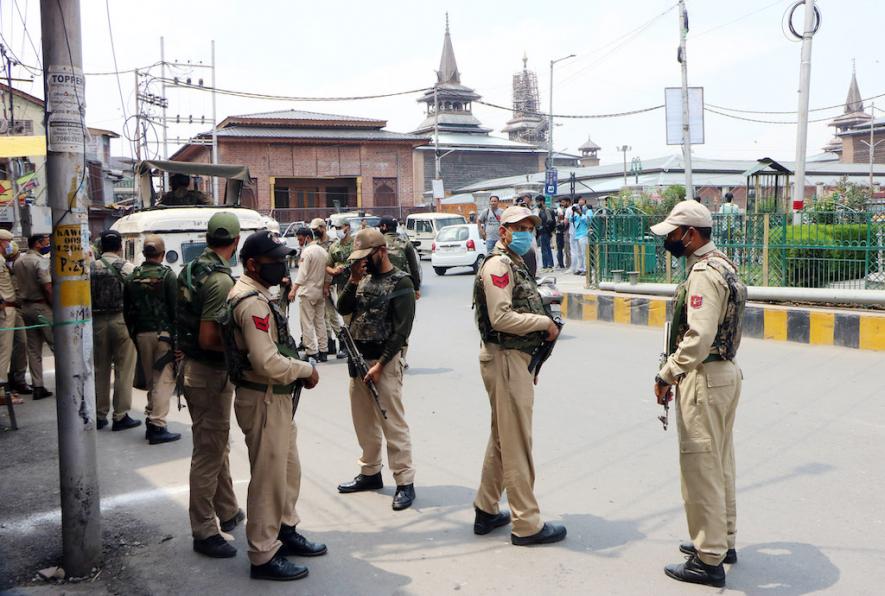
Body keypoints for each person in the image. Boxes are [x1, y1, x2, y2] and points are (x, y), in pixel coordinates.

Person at [650, 200, 746, 588]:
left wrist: (668, 373)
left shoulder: (705, 274)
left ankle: (708, 560)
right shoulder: (724, 264)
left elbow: (699, 337)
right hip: (724, 375)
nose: (669, 240)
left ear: (690, 235)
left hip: (704, 377)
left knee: (701, 467)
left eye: (673, 234)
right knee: (720, 461)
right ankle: (723, 540)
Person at [224, 230, 326, 581]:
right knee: (268, 479)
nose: (282, 266)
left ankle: (284, 529)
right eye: (274, 260)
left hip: (276, 399)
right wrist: (305, 369)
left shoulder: (260, 294)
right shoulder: (251, 302)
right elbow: (267, 361)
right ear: (253, 264)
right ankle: (262, 554)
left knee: (287, 470)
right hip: (264, 396)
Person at [471, 205, 566, 546]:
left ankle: (485, 509)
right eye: (520, 226)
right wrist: (544, 324)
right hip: (505, 359)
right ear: (505, 230)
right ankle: (526, 523)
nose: (526, 231)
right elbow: (501, 318)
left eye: (530, 225)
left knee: (502, 437)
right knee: (517, 442)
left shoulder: (514, 264)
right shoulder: (498, 265)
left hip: (514, 360)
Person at [177, 212, 244, 558]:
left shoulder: (191, 268)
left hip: (193, 369)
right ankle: (203, 529)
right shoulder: (220, 281)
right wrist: (241, 348)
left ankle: (228, 510)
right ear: (235, 242)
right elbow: (207, 337)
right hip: (208, 372)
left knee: (217, 443)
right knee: (209, 450)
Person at [336, 228, 417, 511]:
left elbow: (401, 332)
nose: (362, 261)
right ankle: (370, 473)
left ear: (381, 251)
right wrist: (353, 279)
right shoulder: (361, 278)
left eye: (366, 256)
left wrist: (381, 365)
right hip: (358, 360)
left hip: (385, 361)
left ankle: (405, 482)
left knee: (391, 422)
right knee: (363, 423)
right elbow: (342, 306)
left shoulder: (401, 282)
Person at [123, 234, 181, 444]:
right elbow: (176, 310)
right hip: (163, 336)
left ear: (144, 254)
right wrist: (179, 341)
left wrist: (134, 335)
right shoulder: (168, 276)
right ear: (162, 254)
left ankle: (151, 416)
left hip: (140, 335)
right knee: (164, 381)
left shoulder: (132, 277)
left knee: (151, 380)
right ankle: (157, 425)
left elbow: (127, 311)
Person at [91, 230, 140, 431]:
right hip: (122, 321)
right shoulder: (127, 267)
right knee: (124, 370)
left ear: (101, 247)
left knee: (99, 369)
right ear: (120, 247)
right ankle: (120, 416)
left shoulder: (89, 268)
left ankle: (99, 414)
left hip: (97, 322)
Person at [14, 234, 53, 400]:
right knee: (57, 344)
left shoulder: (18, 261)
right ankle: (69, 382)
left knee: (33, 349)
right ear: (37, 244)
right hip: (41, 306)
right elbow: (47, 286)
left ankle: (38, 386)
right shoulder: (41, 261)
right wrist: (54, 306)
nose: (47, 243)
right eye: (45, 240)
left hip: (25, 307)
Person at [288, 227, 328, 361]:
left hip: (308, 293)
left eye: (300, 239)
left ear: (307, 237)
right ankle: (323, 351)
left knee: (307, 323)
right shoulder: (323, 251)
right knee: (320, 322)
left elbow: (302, 274)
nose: (299, 242)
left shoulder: (307, 252)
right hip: (320, 291)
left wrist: (293, 290)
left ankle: (311, 352)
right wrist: (326, 287)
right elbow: (328, 272)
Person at [310, 218, 340, 357]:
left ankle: (344, 343)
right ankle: (329, 344)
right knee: (322, 317)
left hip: (330, 284)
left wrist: (328, 284)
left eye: (317, 229)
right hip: (317, 284)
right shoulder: (314, 244)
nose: (315, 232)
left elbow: (336, 264)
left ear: (323, 228)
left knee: (332, 315)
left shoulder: (333, 244)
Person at [6, 242, 32, 395]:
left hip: (19, 308)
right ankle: (15, 379)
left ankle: (17, 378)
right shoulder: (5, 266)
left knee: (21, 343)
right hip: (10, 307)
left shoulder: (18, 264)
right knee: (16, 344)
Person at [326, 221, 354, 359]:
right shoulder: (334, 247)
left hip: (358, 286)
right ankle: (348, 347)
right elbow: (327, 266)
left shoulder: (357, 244)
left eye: (339, 228)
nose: (337, 230)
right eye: (335, 228)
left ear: (347, 228)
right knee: (346, 318)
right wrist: (334, 271)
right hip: (342, 287)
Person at [379, 216, 421, 297]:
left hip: (382, 288)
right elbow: (414, 268)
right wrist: (416, 288)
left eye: (380, 227)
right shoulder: (406, 243)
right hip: (403, 286)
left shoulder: (378, 243)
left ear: (384, 227)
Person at [0, 229, 18, 402]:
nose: (10, 246)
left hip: (9, 308)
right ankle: (1, 393)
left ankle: (5, 389)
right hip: (4, 310)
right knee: (3, 352)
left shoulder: (4, 260)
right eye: (7, 242)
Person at [569, 204, 592, 275]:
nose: (577, 210)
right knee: (579, 254)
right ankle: (581, 268)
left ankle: (586, 269)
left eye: (578, 209)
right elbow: (570, 220)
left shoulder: (585, 215)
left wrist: (581, 214)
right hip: (577, 236)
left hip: (584, 235)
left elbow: (588, 221)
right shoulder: (576, 216)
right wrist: (573, 213)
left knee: (584, 253)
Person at [534, 195, 555, 271]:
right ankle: (548, 265)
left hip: (545, 232)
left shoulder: (547, 210)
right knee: (546, 248)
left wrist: (545, 228)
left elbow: (550, 221)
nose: (536, 203)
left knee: (545, 249)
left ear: (541, 201)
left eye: (537, 202)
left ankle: (547, 265)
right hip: (543, 232)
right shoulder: (541, 210)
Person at [555, 198, 571, 270]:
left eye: (563, 202)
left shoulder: (568, 210)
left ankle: (567, 264)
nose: (562, 204)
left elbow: (565, 222)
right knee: (560, 249)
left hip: (565, 232)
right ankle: (561, 264)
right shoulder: (559, 210)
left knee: (567, 249)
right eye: (561, 203)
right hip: (560, 232)